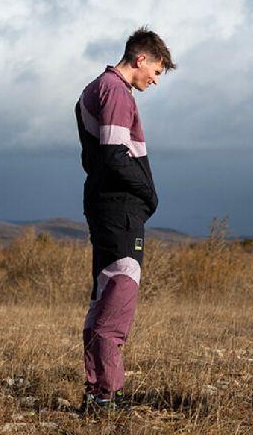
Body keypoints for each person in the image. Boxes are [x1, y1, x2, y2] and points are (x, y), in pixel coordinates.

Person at [74, 27, 175, 413]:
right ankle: (105, 396)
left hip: (107, 207)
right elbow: (116, 154)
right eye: (157, 72)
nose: (155, 81)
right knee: (118, 295)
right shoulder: (115, 91)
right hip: (119, 212)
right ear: (140, 59)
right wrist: (150, 194)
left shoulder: (94, 89)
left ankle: (99, 390)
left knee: (105, 296)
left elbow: (94, 159)